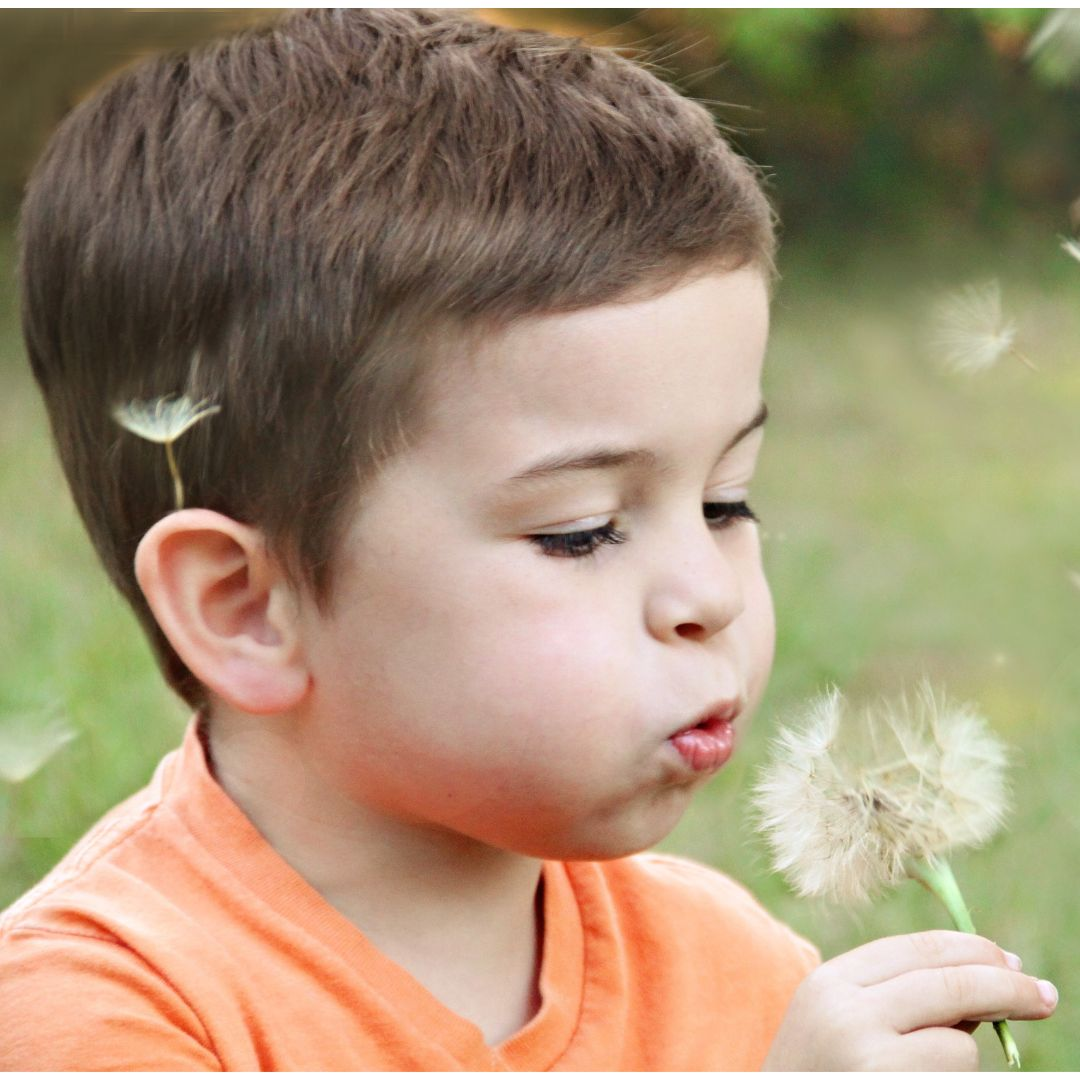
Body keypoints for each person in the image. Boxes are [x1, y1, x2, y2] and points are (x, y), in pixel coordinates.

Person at [0, 8, 1056, 1070]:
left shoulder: (733, 967)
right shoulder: (98, 1012)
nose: (711, 592)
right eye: (582, 533)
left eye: (726, 502)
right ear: (245, 607)